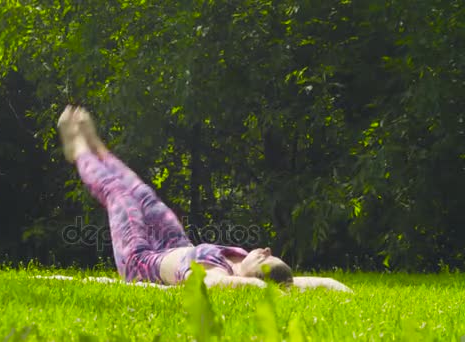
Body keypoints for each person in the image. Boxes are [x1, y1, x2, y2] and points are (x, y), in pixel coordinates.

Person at [57, 105, 352, 292]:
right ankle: (99, 149)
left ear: (252, 278)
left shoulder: (217, 274)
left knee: (118, 192)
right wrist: (327, 286)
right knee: (143, 194)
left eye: (266, 258)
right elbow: (316, 283)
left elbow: (224, 286)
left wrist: (264, 289)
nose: (265, 248)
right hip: (174, 245)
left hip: (141, 260)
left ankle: (80, 149)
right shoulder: (239, 261)